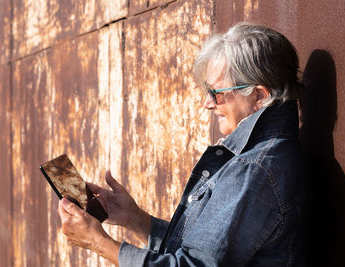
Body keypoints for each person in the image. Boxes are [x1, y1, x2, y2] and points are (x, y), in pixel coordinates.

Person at [58, 22, 309, 266]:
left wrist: (99, 243)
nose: (207, 104)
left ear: (259, 95)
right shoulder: (259, 159)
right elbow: (204, 252)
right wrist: (134, 218)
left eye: (216, 94)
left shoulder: (254, 168)